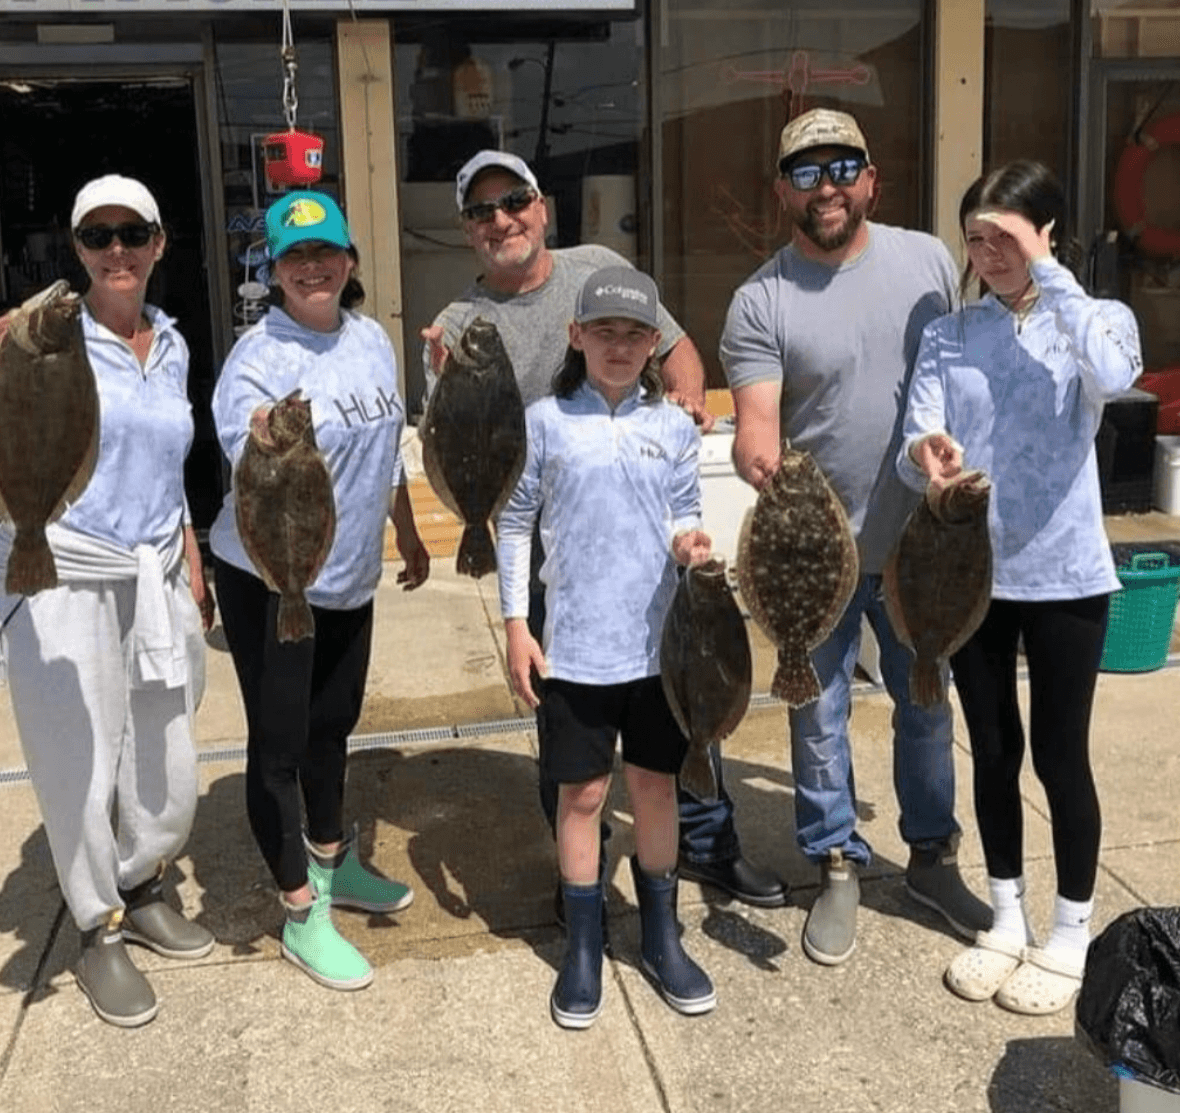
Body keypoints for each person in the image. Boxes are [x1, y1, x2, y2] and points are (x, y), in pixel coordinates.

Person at [422, 149, 786, 912]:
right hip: (560, 554)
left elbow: (677, 343)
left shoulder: (596, 267)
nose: (501, 219)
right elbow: (458, 439)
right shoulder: (456, 323)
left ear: (541, 207)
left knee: (684, 701)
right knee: (571, 754)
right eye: (482, 211)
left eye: (513, 200)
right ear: (466, 231)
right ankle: (576, 878)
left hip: (644, 546)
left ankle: (710, 844)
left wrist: (683, 402)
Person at [720, 107, 993, 968]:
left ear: (873, 180)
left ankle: (932, 859)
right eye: (805, 173)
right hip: (816, 560)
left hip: (922, 545)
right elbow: (755, 427)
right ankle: (836, 859)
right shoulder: (760, 298)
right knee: (817, 712)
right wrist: (762, 464)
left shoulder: (929, 264)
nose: (826, 187)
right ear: (780, 193)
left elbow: (964, 374)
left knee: (924, 710)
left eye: (843, 168)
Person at [0, 174, 215, 1029]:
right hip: (61, 567)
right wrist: (2, 354)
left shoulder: (176, 344)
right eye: (98, 236)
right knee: (77, 757)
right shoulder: (43, 337)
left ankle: (143, 879)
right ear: (76, 250)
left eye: (132, 233)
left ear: (157, 245)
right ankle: (96, 923)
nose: (117, 250)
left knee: (166, 746)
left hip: (153, 572)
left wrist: (189, 555)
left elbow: (171, 469)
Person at [898, 160, 1140, 1015]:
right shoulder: (950, 334)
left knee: (1060, 754)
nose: (988, 252)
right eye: (976, 237)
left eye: (1006, 235)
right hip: (972, 574)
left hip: (1068, 574)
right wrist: (929, 463)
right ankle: (1005, 915)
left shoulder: (1095, 318)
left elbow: (1113, 380)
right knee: (993, 752)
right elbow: (916, 437)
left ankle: (1070, 929)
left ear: (1046, 232)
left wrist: (1052, 277)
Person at [210, 190, 430, 993]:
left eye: (326, 253)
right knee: (279, 746)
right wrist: (266, 426)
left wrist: (405, 528)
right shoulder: (255, 357)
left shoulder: (371, 339)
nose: (313, 267)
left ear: (350, 262)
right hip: (273, 578)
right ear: (273, 270)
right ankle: (303, 914)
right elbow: (242, 438)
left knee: (334, 727)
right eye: (295, 257)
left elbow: (387, 443)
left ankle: (334, 866)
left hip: (348, 576)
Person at [499, 266, 717, 1027]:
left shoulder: (671, 426)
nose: (619, 347)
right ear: (576, 336)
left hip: (660, 649)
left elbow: (683, 510)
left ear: (656, 344)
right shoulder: (545, 421)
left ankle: (662, 933)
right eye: (604, 333)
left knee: (655, 788)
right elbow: (513, 523)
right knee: (584, 795)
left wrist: (690, 542)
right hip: (575, 650)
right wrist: (516, 624)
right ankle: (584, 945)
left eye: (634, 335)